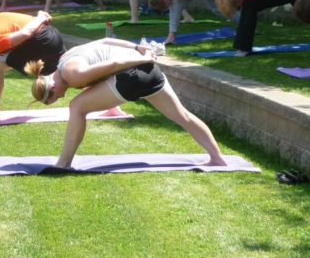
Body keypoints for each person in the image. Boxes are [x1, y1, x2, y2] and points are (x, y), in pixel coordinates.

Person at [25, 38, 226, 168]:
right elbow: (105, 41)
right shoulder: (66, 58)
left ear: (51, 88)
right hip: (149, 71)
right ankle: (217, 158)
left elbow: (112, 65)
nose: (60, 97)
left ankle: (64, 163)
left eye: (54, 98)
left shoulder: (73, 74)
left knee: (76, 107)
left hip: (133, 72)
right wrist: (137, 48)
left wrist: (140, 57)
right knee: (183, 116)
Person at [0, 11, 78, 126]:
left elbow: (25, 33)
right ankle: (96, 97)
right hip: (50, 35)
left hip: (42, 40)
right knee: (68, 72)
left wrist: (41, 17)